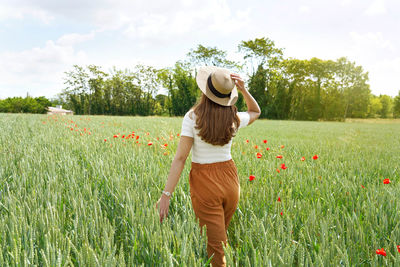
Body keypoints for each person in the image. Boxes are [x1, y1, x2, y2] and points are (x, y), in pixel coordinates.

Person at [156, 66, 261, 266]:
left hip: (205, 183)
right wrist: (244, 90)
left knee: (216, 251)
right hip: (230, 180)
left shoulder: (192, 117)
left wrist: (166, 195)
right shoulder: (234, 117)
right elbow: (256, 111)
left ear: (205, 90)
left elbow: (180, 158)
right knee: (220, 240)